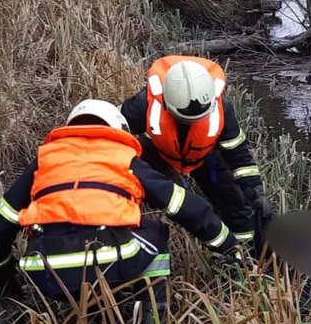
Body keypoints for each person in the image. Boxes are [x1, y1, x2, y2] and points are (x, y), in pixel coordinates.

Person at [0, 99, 245, 324]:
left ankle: (89, 316)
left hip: (45, 273)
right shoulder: (123, 158)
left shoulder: (45, 162)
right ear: (118, 129)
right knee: (156, 234)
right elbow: (185, 207)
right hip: (110, 263)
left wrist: (6, 287)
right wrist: (229, 247)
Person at [118, 55, 275, 258]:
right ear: (167, 104)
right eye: (184, 119)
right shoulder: (146, 103)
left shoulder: (222, 109)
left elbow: (238, 154)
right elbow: (112, 128)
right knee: (128, 176)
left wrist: (256, 192)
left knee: (237, 205)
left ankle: (242, 256)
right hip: (159, 149)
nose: (191, 123)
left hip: (204, 156)